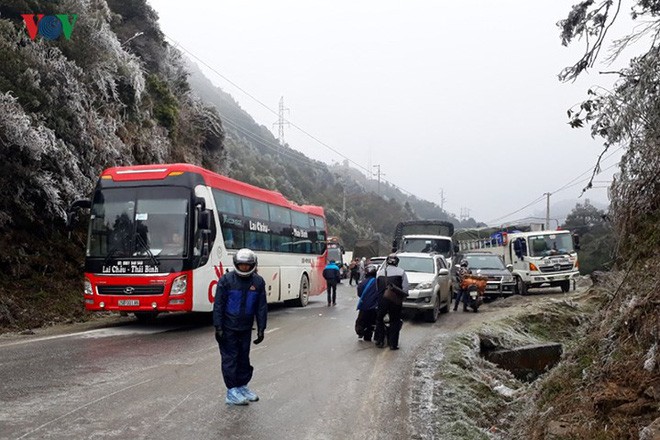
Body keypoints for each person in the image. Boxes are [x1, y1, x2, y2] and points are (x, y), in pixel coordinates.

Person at [213, 248, 268, 406]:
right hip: (228, 328)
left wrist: (261, 328)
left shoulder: (258, 282)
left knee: (244, 358)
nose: (244, 268)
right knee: (230, 359)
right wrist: (218, 327)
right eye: (241, 265)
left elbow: (261, 307)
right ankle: (231, 391)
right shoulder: (226, 280)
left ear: (253, 265)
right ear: (236, 264)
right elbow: (218, 305)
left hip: (245, 328)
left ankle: (242, 386)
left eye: (247, 265)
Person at [374, 254, 409, 350]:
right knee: (395, 320)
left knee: (379, 319)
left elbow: (377, 288)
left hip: (382, 300)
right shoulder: (401, 272)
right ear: (397, 262)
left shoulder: (380, 273)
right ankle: (393, 344)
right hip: (395, 300)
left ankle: (380, 340)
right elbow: (405, 289)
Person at [355, 264, 379, 341]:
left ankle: (361, 332)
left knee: (361, 320)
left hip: (364, 305)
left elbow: (359, 294)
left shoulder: (362, 283)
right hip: (375, 306)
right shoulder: (378, 282)